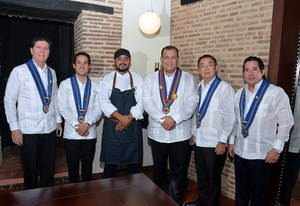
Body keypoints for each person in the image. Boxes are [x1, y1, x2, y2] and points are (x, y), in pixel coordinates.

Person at [228, 56, 294, 206]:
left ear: (262, 71)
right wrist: (231, 142)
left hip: (262, 155)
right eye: (246, 70)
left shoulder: (276, 93)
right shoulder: (239, 94)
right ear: (243, 74)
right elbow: (237, 121)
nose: (250, 73)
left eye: (254, 69)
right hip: (240, 153)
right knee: (241, 194)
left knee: (258, 197)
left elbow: (286, 122)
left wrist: (276, 149)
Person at [4, 37, 62, 189]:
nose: (42, 51)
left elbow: (54, 98)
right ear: (31, 50)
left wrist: (58, 120)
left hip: (49, 128)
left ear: (49, 52)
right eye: (38, 47)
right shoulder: (19, 71)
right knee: (30, 170)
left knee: (48, 168)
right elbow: (9, 100)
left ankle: (47, 199)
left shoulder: (52, 73)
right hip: (28, 130)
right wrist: (14, 127)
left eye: (46, 48)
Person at [143, 45, 198, 204]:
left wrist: (174, 119)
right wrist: (163, 119)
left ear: (177, 59)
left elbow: (191, 103)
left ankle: (176, 200)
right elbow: (147, 102)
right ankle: (159, 199)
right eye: (166, 57)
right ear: (161, 59)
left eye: (173, 57)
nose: (169, 60)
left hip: (180, 132)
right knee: (159, 169)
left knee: (179, 170)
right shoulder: (150, 78)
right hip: (157, 132)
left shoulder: (188, 78)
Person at [184, 55, 235, 206]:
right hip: (200, 141)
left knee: (213, 179)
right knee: (202, 177)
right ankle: (202, 202)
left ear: (216, 68)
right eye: (202, 65)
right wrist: (194, 132)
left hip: (215, 143)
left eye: (210, 65)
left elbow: (230, 118)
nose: (206, 68)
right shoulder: (198, 87)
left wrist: (222, 141)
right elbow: (196, 112)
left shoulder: (224, 88)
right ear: (199, 70)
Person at [99, 48, 144, 178]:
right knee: (110, 166)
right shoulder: (107, 79)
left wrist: (128, 118)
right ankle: (108, 194)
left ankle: (135, 195)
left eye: (125, 59)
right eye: (119, 59)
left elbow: (143, 101)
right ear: (115, 61)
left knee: (134, 166)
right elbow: (103, 101)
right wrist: (121, 118)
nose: (122, 61)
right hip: (113, 127)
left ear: (130, 61)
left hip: (133, 127)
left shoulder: (138, 78)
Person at [58, 52, 101, 183]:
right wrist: (78, 125)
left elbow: (99, 109)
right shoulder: (65, 84)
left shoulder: (96, 86)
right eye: (79, 62)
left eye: (85, 63)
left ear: (89, 66)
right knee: (73, 168)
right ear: (74, 65)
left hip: (90, 133)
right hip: (72, 133)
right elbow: (62, 107)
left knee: (88, 168)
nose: (82, 65)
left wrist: (87, 124)